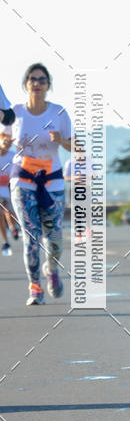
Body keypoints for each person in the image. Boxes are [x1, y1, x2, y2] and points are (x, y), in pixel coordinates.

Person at [2, 63, 72, 304]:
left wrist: (61, 140)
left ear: (48, 85)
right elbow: (3, 144)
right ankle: (35, 288)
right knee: (31, 237)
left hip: (52, 182)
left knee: (54, 241)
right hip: (22, 180)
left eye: (42, 80)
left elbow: (76, 146)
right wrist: (3, 146)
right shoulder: (15, 112)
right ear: (25, 84)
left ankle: (51, 269)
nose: (37, 83)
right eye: (32, 79)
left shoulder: (59, 113)